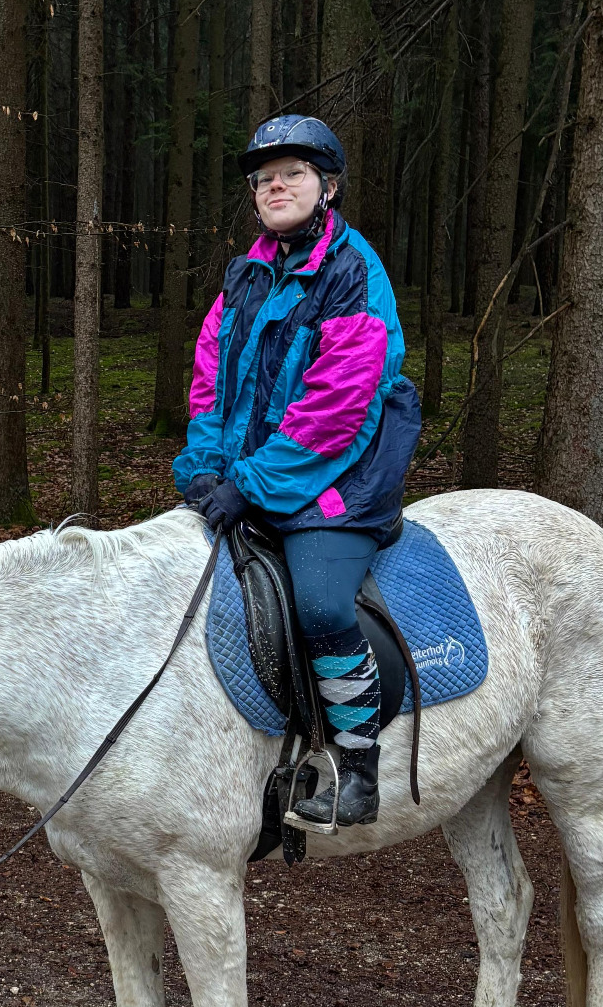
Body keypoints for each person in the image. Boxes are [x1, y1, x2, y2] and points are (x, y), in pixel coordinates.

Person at [175, 114, 420, 827]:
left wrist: (249, 484)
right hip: (250, 473)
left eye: (293, 174)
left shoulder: (352, 272)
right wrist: (204, 469)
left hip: (340, 477)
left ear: (328, 187)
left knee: (319, 603)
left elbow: (336, 409)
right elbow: (211, 383)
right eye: (264, 179)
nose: (275, 186)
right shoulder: (245, 276)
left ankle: (357, 765)